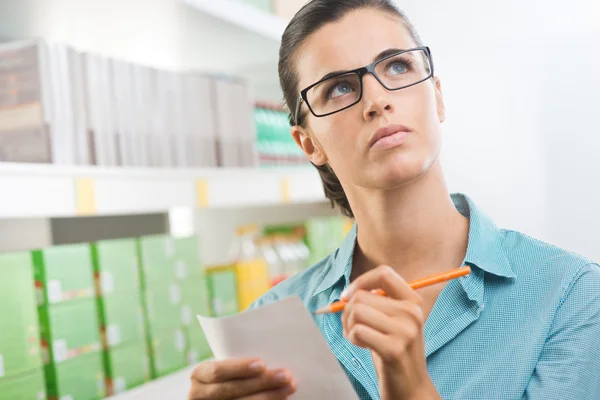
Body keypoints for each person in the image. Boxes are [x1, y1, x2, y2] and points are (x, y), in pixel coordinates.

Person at [189, 0, 600, 399]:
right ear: (308, 143)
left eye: (397, 66)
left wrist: (412, 390)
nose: (376, 101)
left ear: (437, 96)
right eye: (340, 88)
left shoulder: (571, 295)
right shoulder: (275, 320)